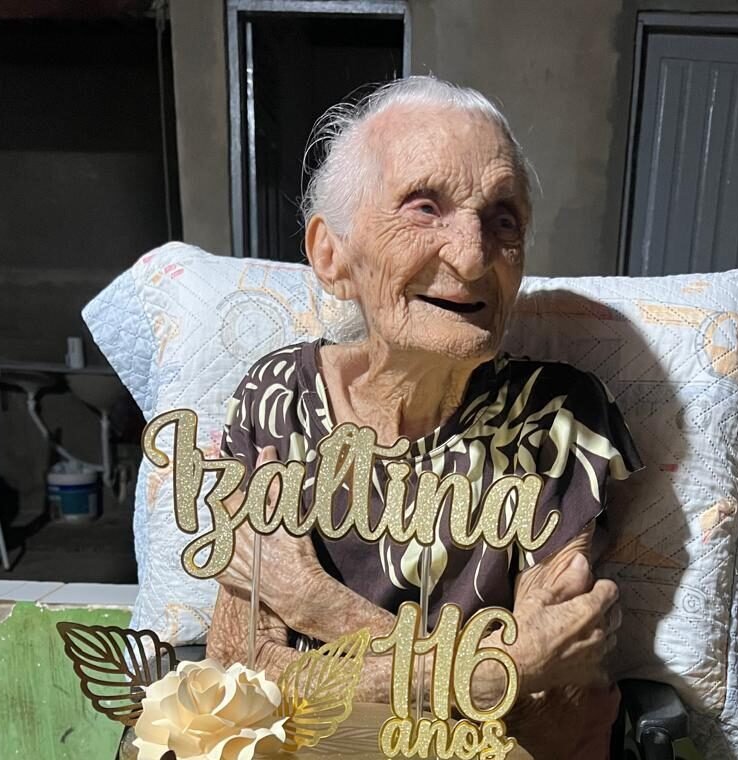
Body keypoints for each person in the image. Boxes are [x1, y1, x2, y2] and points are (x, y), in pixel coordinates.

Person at [206, 76, 643, 759]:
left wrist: (315, 603)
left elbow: (544, 703)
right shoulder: (279, 398)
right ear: (331, 255)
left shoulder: (557, 416)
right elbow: (241, 675)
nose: (472, 256)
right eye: (424, 208)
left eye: (503, 220)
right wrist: (492, 670)